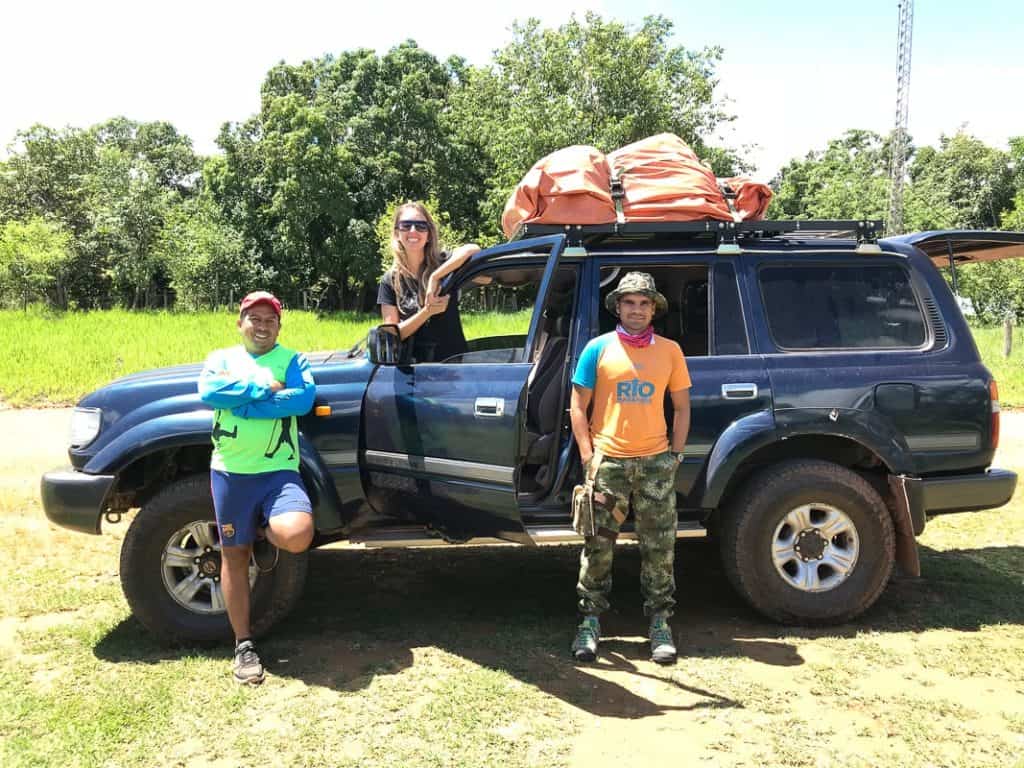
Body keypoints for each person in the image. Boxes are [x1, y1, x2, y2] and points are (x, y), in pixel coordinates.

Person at [568, 272, 692, 665]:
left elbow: (683, 406)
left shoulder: (670, 351)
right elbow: (577, 405)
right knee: (598, 545)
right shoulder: (597, 349)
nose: (636, 310)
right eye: (629, 303)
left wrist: (675, 455)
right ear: (617, 307)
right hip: (609, 464)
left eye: (643, 303)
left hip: (656, 464)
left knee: (659, 547)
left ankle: (659, 623)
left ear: (653, 308)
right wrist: (589, 457)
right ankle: (589, 621)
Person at [198, 291, 316, 684]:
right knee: (233, 556)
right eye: (255, 318)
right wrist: (263, 390)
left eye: (270, 319)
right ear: (240, 322)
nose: (262, 325)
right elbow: (210, 392)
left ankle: (264, 533)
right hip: (230, 472)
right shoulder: (221, 359)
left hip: (278, 471)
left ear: (279, 326)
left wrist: (243, 404)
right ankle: (244, 644)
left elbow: (301, 400)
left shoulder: (293, 359)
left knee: (296, 534)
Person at [377, 201, 481, 362]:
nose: (413, 231)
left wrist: (436, 276)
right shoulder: (389, 280)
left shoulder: (445, 263)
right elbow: (392, 333)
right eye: (406, 225)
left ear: (429, 234)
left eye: (420, 226)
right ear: (397, 233)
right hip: (414, 373)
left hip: (455, 368)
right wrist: (427, 312)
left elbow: (473, 249)